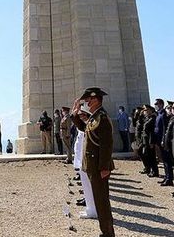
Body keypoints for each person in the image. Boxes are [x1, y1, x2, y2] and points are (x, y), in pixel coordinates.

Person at [71, 87, 115, 237]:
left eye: (88, 100)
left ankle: (108, 233)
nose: (86, 103)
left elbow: (106, 145)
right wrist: (75, 113)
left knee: (102, 203)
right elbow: (83, 128)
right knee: (99, 201)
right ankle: (106, 232)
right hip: (92, 166)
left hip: (99, 167)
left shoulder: (102, 117)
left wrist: (104, 167)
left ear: (95, 99)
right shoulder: (94, 117)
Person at [73, 108, 98, 220]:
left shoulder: (91, 126)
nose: (81, 117)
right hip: (82, 160)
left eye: (83, 115)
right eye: (80, 115)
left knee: (90, 186)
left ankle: (94, 210)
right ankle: (90, 209)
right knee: (86, 186)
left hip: (89, 160)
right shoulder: (84, 126)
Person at [154, 99, 173, 185]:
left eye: (156, 104)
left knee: (167, 160)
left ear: (161, 104)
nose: (155, 105)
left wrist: (163, 140)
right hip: (158, 140)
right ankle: (166, 176)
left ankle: (169, 178)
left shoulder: (164, 114)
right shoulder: (159, 114)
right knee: (164, 160)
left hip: (163, 141)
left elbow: (165, 129)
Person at [142, 105, 159, 177]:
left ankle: (155, 171)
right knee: (148, 155)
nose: (145, 111)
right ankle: (152, 170)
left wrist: (151, 142)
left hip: (149, 141)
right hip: (146, 140)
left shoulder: (153, 118)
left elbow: (152, 132)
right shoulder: (148, 118)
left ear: (150, 110)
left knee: (152, 156)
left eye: (146, 110)